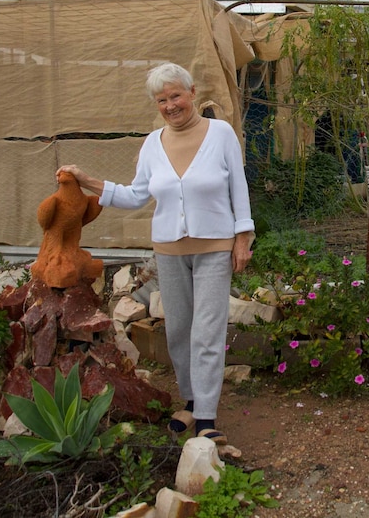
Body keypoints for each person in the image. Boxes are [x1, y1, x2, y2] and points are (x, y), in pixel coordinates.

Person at [57, 62, 255, 445]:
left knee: (207, 331)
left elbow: (239, 187)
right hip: (169, 249)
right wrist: (88, 181)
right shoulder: (152, 144)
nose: (170, 105)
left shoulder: (221, 134)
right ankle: (192, 400)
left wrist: (242, 236)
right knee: (179, 329)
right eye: (162, 100)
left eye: (175, 96)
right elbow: (135, 195)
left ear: (192, 92)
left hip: (214, 247)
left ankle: (207, 417)